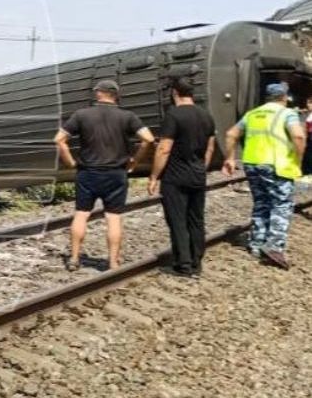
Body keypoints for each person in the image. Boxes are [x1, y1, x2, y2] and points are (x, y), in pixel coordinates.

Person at [53, 80, 155, 271]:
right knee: (113, 217)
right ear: (115, 95)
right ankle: (113, 262)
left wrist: (70, 163)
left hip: (88, 173)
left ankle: (74, 258)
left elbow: (59, 140)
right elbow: (148, 139)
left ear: (99, 93)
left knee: (81, 214)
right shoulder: (128, 116)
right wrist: (135, 161)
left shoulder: (81, 114)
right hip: (116, 174)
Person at [223, 82, 307, 269]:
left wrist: (229, 158)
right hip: (276, 165)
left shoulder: (252, 114)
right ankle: (274, 247)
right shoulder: (287, 114)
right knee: (281, 205)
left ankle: (257, 244)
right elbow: (299, 136)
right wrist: (298, 159)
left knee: (261, 203)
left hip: (251, 164)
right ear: (284, 98)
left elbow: (230, 134)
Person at [147, 77, 216, 277]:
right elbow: (210, 148)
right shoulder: (206, 115)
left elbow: (164, 149)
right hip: (198, 175)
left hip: (175, 177)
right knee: (196, 219)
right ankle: (196, 263)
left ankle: (183, 265)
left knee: (177, 220)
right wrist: (201, 168)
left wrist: (154, 176)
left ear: (175, 93)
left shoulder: (173, 115)